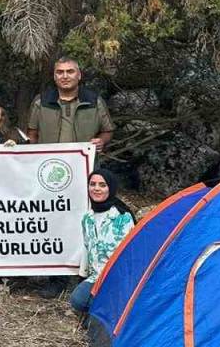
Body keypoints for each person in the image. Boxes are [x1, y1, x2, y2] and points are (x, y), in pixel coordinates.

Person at [71, 169, 135, 318]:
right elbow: (87, 249)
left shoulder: (122, 217)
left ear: (110, 188)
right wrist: (82, 277)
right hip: (96, 277)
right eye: (92, 184)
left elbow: (130, 253)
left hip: (117, 277)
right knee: (77, 300)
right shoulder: (87, 218)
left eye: (102, 185)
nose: (96, 189)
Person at [27, 57, 115, 152]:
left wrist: (101, 141)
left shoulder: (94, 101)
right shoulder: (41, 102)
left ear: (79, 75)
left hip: (84, 162)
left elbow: (107, 131)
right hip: (50, 162)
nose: (65, 76)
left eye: (70, 72)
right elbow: (32, 134)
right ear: (54, 76)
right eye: (60, 72)